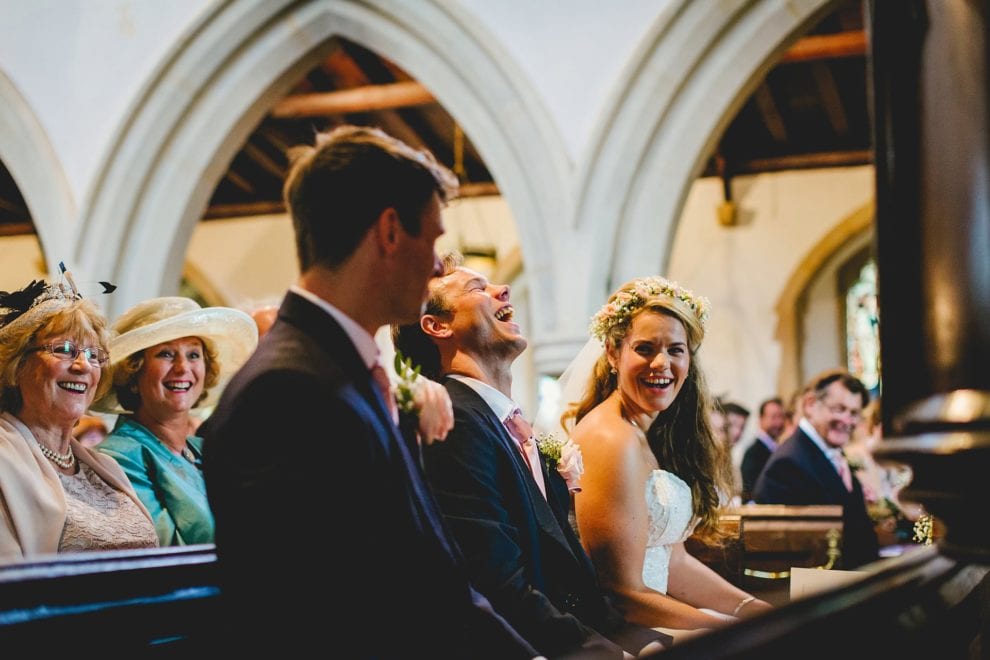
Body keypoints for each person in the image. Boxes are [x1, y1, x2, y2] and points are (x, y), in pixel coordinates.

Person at [203, 126, 537, 658]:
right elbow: (324, 619)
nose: (435, 265)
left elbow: (432, 578)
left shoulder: (342, 373)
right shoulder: (285, 394)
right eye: (431, 237)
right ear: (389, 231)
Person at [393, 254, 667, 658]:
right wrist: (610, 655)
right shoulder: (457, 423)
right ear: (437, 326)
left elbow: (563, 572)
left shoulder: (509, 426)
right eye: (477, 288)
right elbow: (498, 582)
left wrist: (640, 640)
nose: (501, 290)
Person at [560, 276, 771, 632]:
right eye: (645, 348)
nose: (661, 363)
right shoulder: (611, 439)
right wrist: (723, 629)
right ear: (613, 352)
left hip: (654, 617)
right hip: (625, 632)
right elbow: (622, 593)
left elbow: (672, 560)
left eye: (675, 349)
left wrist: (747, 607)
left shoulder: (649, 433)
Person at [0, 278, 158, 561]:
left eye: (93, 355)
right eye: (63, 350)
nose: (83, 365)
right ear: (17, 365)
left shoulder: (106, 468)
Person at [91, 297, 257, 546]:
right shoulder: (116, 458)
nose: (182, 367)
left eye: (193, 354)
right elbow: (168, 551)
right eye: (166, 354)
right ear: (133, 372)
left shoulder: (203, 450)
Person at [752, 369, 879, 568]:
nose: (847, 420)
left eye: (854, 413)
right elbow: (799, 555)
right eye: (839, 409)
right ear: (811, 404)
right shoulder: (788, 464)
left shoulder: (830, 451)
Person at [740, 397, 786, 502]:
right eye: (773, 417)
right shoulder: (753, 453)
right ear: (761, 420)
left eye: (781, 416)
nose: (778, 422)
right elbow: (750, 492)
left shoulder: (777, 449)